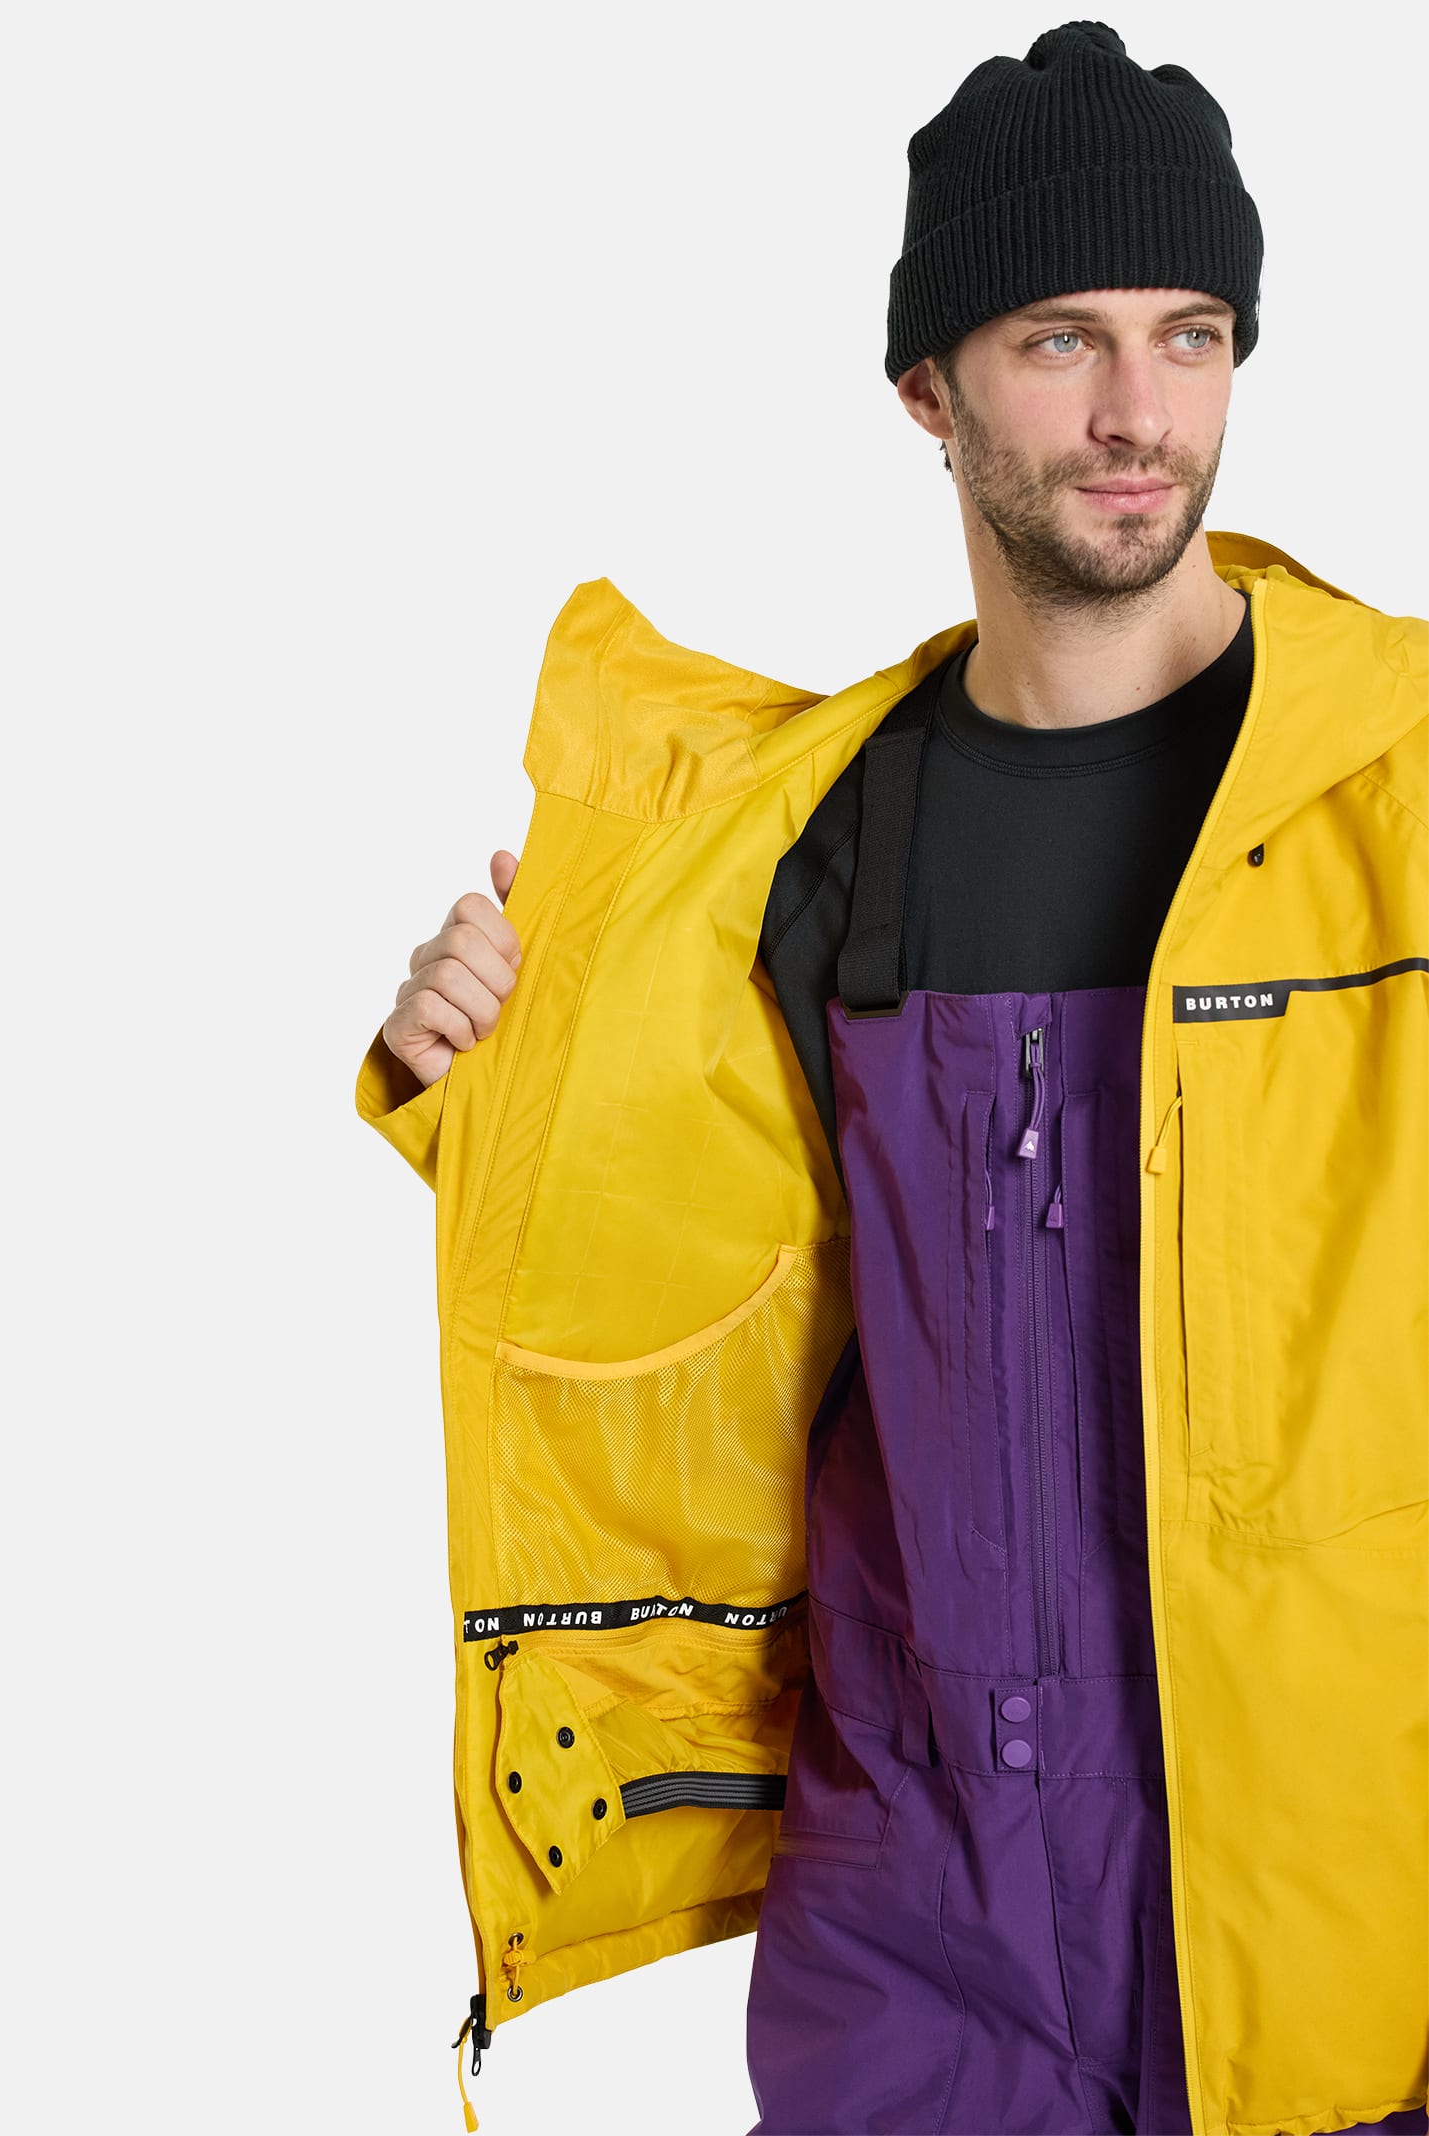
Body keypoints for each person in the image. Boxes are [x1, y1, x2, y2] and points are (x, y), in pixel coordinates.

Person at [360, 23, 1427, 2136]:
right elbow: (656, 1277)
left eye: (1190, 335)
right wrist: (464, 1070)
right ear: (928, 389)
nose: (1137, 414)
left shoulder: (1392, 802)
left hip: (1336, 1895)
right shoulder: (790, 846)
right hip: (915, 1919)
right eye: (1059, 340)